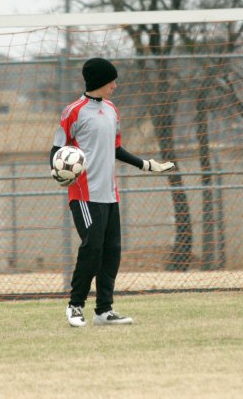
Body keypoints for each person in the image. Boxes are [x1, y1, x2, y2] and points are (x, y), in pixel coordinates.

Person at [51, 57, 175, 327]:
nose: (115, 86)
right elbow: (57, 151)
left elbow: (116, 148)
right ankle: (75, 306)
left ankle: (104, 311)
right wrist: (60, 170)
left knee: (111, 252)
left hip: (110, 195)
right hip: (84, 195)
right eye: (111, 81)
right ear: (99, 81)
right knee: (92, 249)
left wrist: (146, 164)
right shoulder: (73, 111)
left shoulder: (112, 110)